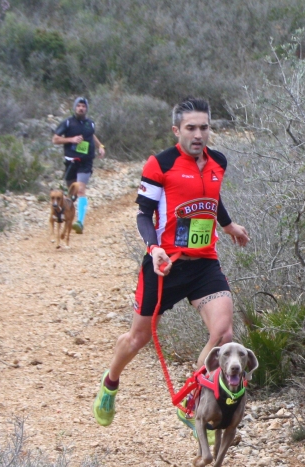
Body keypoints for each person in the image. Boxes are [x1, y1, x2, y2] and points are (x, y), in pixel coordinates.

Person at [93, 96, 250, 428]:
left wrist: (227, 225)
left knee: (224, 334)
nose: (198, 135)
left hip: (204, 263)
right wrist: (154, 249)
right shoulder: (160, 164)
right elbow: (143, 214)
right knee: (138, 339)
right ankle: (110, 382)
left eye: (204, 128)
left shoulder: (218, 161)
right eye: (190, 128)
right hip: (164, 266)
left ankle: (194, 401)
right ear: (176, 129)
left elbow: (211, 196)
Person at [52, 97, 105, 234]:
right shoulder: (68, 123)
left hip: (86, 162)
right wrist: (71, 139)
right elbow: (55, 139)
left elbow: (91, 135)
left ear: (86, 109)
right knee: (72, 195)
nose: (81, 108)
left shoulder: (90, 123)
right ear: (75, 108)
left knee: (81, 190)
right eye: (79, 106)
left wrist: (100, 146)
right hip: (71, 162)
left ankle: (80, 222)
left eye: (83, 106)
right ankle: (65, 217)